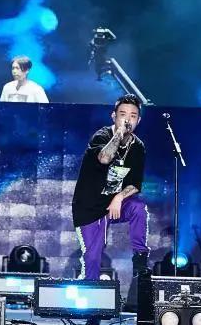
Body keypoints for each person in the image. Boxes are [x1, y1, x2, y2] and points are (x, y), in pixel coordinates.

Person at [71, 94, 149, 317]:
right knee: (92, 258)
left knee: (138, 209)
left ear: (138, 120)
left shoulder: (138, 147)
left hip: (115, 204)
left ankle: (140, 257)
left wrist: (119, 197)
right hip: (90, 207)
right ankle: (91, 309)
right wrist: (119, 134)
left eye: (133, 116)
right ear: (113, 116)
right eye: (123, 115)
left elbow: (135, 184)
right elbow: (104, 158)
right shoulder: (102, 136)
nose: (128, 120)